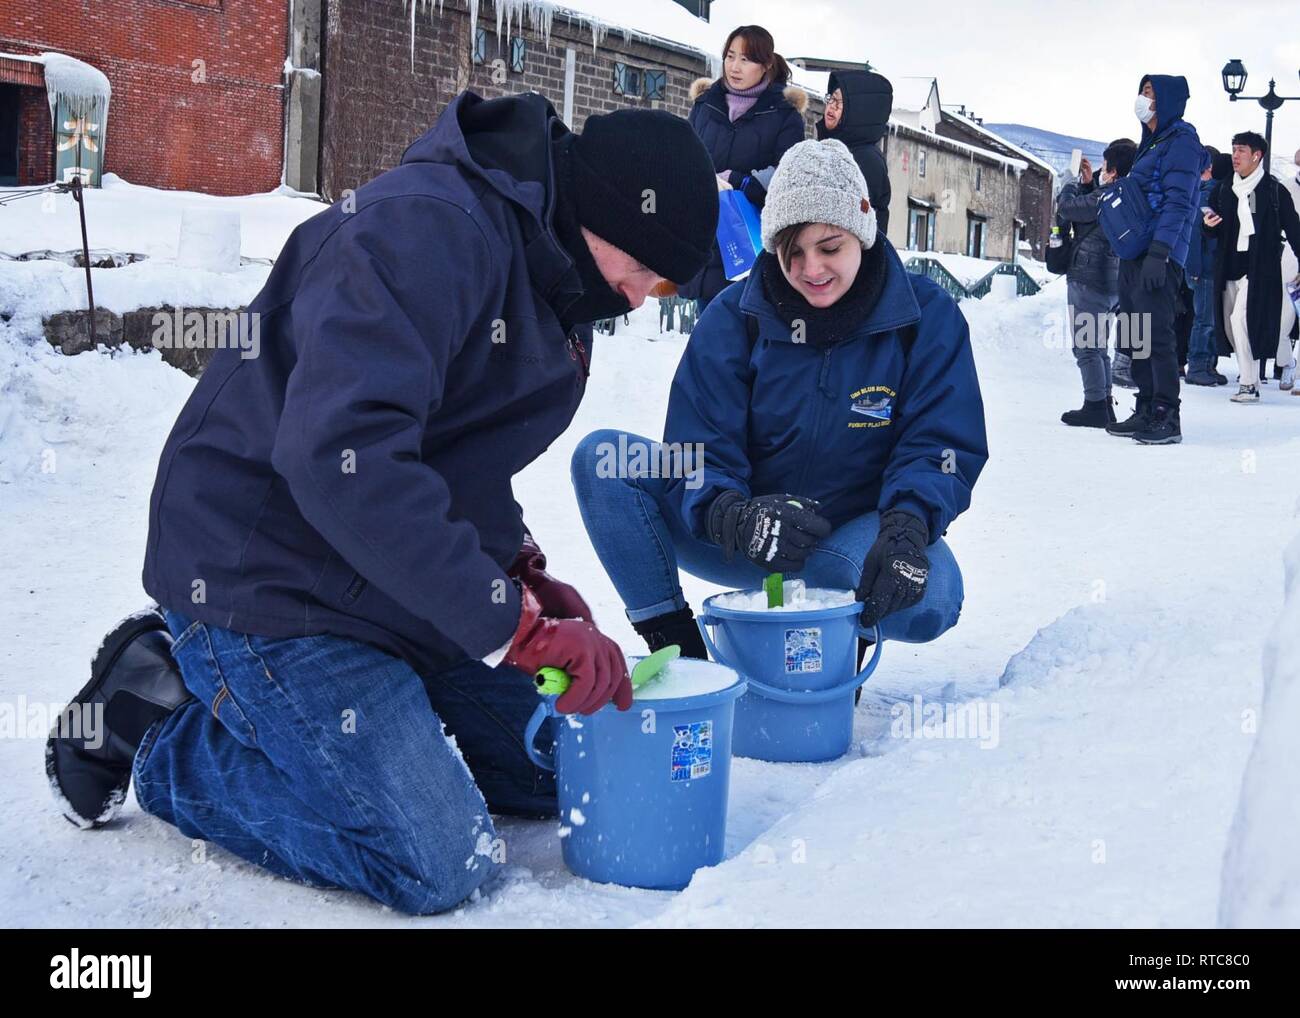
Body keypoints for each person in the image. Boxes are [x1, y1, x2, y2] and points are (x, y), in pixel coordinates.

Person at [45, 91, 720, 915]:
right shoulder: (425, 231)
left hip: (380, 581)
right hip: (268, 579)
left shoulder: (555, 279)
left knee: (558, 768)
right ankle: (157, 729)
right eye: (649, 269)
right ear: (611, 214)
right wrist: (512, 629)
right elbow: (339, 457)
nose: (647, 296)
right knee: (438, 858)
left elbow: (460, 459)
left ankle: (355, 729)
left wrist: (521, 575)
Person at [570, 139, 987, 666]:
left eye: (829, 247)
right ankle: (682, 658)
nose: (811, 268)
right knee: (603, 461)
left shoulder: (925, 316)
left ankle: (834, 647)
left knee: (935, 599)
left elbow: (941, 442)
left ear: (862, 230)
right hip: (751, 535)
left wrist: (908, 524)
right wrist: (730, 513)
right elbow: (698, 443)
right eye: (792, 253)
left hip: (854, 543)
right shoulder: (733, 315)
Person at [680, 24, 808, 311]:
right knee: (711, 340)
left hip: (753, 249)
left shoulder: (784, 114)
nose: (734, 67)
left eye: (746, 59)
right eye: (730, 56)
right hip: (705, 244)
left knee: (749, 340)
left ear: (765, 65)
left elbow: (790, 177)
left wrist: (741, 181)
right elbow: (683, 158)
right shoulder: (705, 105)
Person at [1104, 74, 1203, 444]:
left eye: (1149, 93)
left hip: (1159, 253)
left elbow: (1179, 202)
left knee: (1156, 333)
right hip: (1136, 250)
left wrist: (1160, 253)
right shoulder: (1152, 142)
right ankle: (1145, 406)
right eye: (1141, 91)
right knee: (1135, 332)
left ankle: (1166, 414)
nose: (1142, 99)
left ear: (1167, 100)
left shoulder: (1182, 143)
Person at [1203, 131, 1300, 403]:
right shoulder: (1224, 188)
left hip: (1260, 271)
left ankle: (1249, 385)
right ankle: (1252, 376)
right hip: (1229, 268)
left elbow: (1294, 229)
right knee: (1233, 328)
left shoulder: (1273, 191)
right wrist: (1207, 226)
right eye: (1234, 149)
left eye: (1241, 150)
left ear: (1257, 155)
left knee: (1241, 320)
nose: (1235, 156)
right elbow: (1212, 224)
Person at [1055, 138, 1136, 427]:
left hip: (1089, 277)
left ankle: (1094, 406)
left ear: (1112, 170)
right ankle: (1103, 404)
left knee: (1087, 347)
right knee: (1098, 346)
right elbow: (1093, 217)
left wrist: (1067, 183)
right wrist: (1089, 184)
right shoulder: (1128, 194)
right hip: (1113, 280)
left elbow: (1068, 209)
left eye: (1105, 165)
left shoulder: (1107, 195)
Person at [816, 70, 893, 238]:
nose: (832, 106)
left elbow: (861, 221)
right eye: (832, 98)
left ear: (859, 112)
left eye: (841, 102)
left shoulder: (867, 160)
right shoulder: (826, 148)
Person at [1185, 145, 1228, 386]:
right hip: (1205, 267)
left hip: (1206, 266)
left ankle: (1207, 365)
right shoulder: (1206, 194)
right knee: (1205, 319)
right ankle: (1199, 365)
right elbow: (1194, 236)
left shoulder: (1203, 191)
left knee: (1209, 318)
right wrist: (1195, 269)